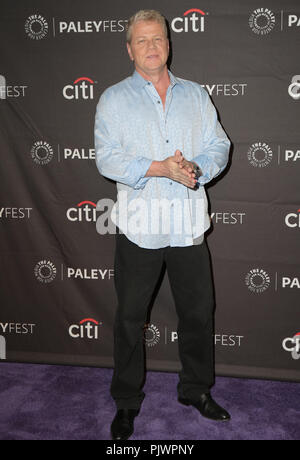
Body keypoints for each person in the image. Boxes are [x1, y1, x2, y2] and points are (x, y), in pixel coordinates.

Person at [94, 9, 231, 440]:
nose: (152, 46)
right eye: (143, 40)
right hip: (140, 226)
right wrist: (159, 167)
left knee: (197, 313)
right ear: (129, 48)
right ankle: (127, 402)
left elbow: (220, 145)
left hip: (187, 224)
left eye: (159, 39)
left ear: (169, 45)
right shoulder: (114, 99)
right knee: (131, 318)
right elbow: (107, 158)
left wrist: (196, 166)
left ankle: (195, 390)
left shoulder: (196, 95)